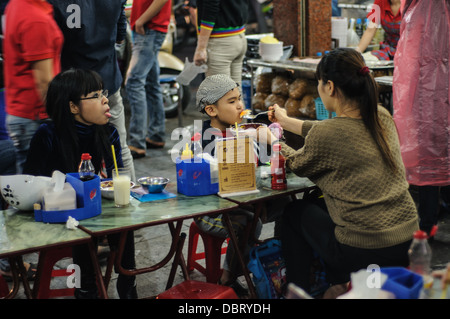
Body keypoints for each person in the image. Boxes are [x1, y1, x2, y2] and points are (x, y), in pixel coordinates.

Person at [257, 48, 419, 297]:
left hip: (365, 249)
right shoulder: (382, 116)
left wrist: (271, 140)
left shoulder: (330, 134)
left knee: (293, 212)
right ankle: (337, 282)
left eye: (319, 83)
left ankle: (299, 290)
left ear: (329, 87)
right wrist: (286, 121)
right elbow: (331, 132)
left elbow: (297, 163)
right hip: (407, 239)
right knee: (316, 202)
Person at [23, 69, 137, 299]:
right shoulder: (48, 134)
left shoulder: (109, 132)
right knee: (82, 234)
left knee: (126, 225)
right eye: (95, 95)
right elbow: (31, 184)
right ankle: (86, 290)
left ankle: (128, 284)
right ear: (73, 107)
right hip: (59, 215)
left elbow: (114, 179)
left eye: (102, 92)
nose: (105, 99)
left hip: (98, 209)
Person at [47, 0, 136, 182]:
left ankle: (78, 199)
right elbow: (120, 37)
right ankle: (129, 195)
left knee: (68, 149)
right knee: (119, 147)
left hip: (73, 89)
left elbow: (50, 40)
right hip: (107, 80)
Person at [194, 74, 266, 296]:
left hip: (244, 201)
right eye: (232, 101)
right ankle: (227, 278)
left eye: (240, 99)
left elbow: (260, 165)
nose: (240, 106)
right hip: (210, 211)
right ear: (211, 110)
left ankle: (277, 263)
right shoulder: (204, 140)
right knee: (248, 223)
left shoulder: (242, 130)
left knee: (289, 208)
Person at [393, 0, 450, 237]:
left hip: (429, 91)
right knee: (431, 153)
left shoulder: (428, 7)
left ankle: (428, 224)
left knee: (431, 153)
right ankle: (428, 222)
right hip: (425, 92)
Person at [3, 0, 63, 173]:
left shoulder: (17, 5)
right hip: (35, 115)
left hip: (24, 113)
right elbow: (43, 81)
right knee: (37, 188)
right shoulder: (35, 20)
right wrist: (60, 119)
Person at [125, 0, 171, 159]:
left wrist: (141, 20)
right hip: (148, 27)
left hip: (149, 28)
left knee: (134, 83)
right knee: (151, 84)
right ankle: (156, 135)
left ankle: (137, 142)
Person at [193, 0, 248, 86]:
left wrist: (201, 47)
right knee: (235, 94)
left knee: (221, 95)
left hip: (221, 42)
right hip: (238, 37)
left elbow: (210, 8)